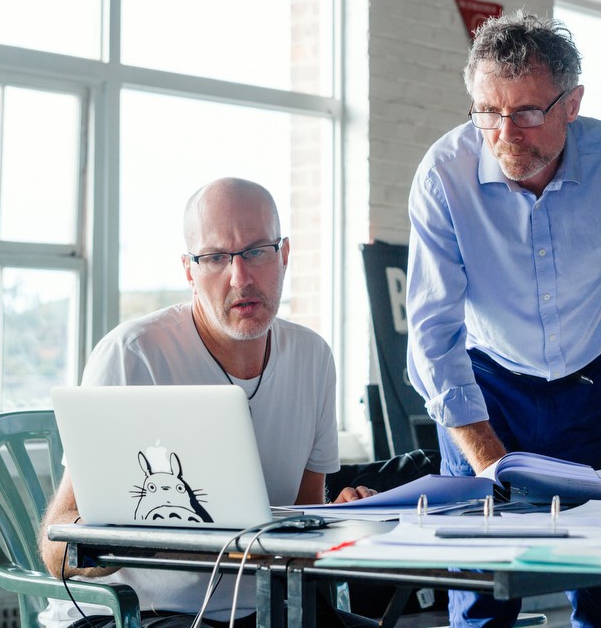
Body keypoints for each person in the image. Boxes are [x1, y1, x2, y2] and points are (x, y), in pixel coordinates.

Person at [405, 11, 601, 627]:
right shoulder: (443, 176)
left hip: (588, 388)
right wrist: (483, 459)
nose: (506, 133)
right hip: (484, 387)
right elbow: (433, 330)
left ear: (572, 103)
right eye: (487, 112)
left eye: (528, 112)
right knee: (482, 589)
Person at [38, 177, 373, 628]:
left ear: (285, 255)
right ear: (189, 271)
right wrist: (174, 534)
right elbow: (58, 553)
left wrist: (341, 517)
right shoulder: (134, 355)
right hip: (135, 614)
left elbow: (300, 521)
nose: (241, 277)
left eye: (257, 250)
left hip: (260, 609)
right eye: (215, 257)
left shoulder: (313, 357)